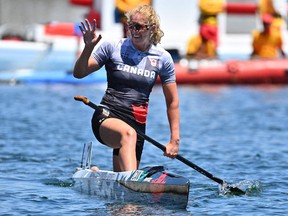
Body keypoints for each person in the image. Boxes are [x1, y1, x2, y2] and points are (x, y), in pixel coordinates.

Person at [73, 5, 180, 172]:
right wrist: (88, 47)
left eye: (138, 27)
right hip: (107, 115)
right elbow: (79, 73)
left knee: (123, 183)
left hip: (137, 125)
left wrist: (174, 140)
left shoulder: (162, 58)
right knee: (127, 135)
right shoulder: (112, 47)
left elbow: (172, 102)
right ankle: (131, 182)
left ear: (151, 28)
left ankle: (96, 173)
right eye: (130, 26)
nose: (133, 31)